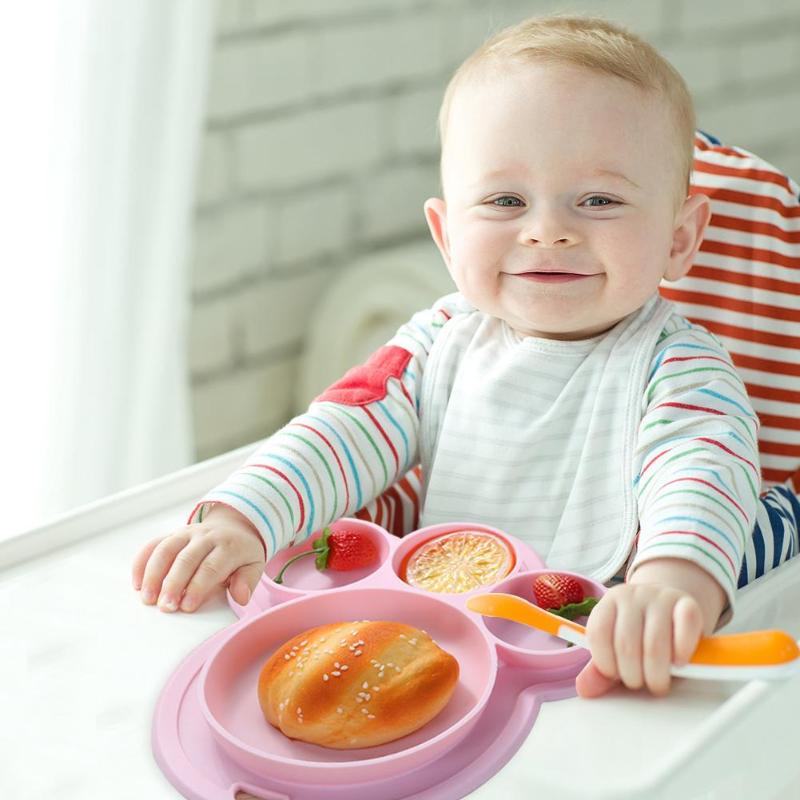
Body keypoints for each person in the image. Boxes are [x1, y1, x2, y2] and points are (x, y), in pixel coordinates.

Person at [132, 15, 796, 698]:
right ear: (448, 237)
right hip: (436, 645)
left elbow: (701, 471)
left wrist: (669, 586)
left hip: (597, 654)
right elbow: (341, 429)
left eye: (598, 199)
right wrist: (246, 516)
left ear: (680, 239)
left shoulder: (680, 369)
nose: (548, 232)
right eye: (506, 200)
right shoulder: (437, 342)